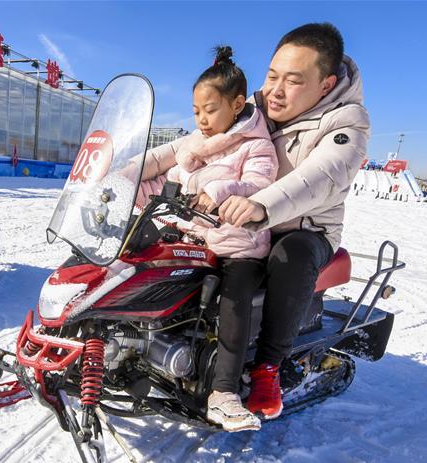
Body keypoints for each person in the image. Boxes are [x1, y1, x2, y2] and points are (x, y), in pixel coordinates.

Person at [211, 23, 369, 420]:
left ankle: (267, 367)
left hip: (305, 230)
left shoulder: (347, 124)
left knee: (290, 254)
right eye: (272, 75)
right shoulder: (253, 109)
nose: (276, 90)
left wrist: (261, 206)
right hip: (248, 225)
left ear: (326, 84)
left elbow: (320, 176)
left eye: (294, 81)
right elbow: (202, 142)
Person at [136, 47, 278, 432]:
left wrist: (220, 192)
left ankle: (224, 392)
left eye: (209, 110)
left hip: (238, 243)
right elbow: (168, 186)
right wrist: (126, 190)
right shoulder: (193, 145)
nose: (201, 119)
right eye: (196, 111)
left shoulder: (256, 145)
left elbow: (260, 184)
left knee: (233, 301)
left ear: (236, 105)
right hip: (193, 234)